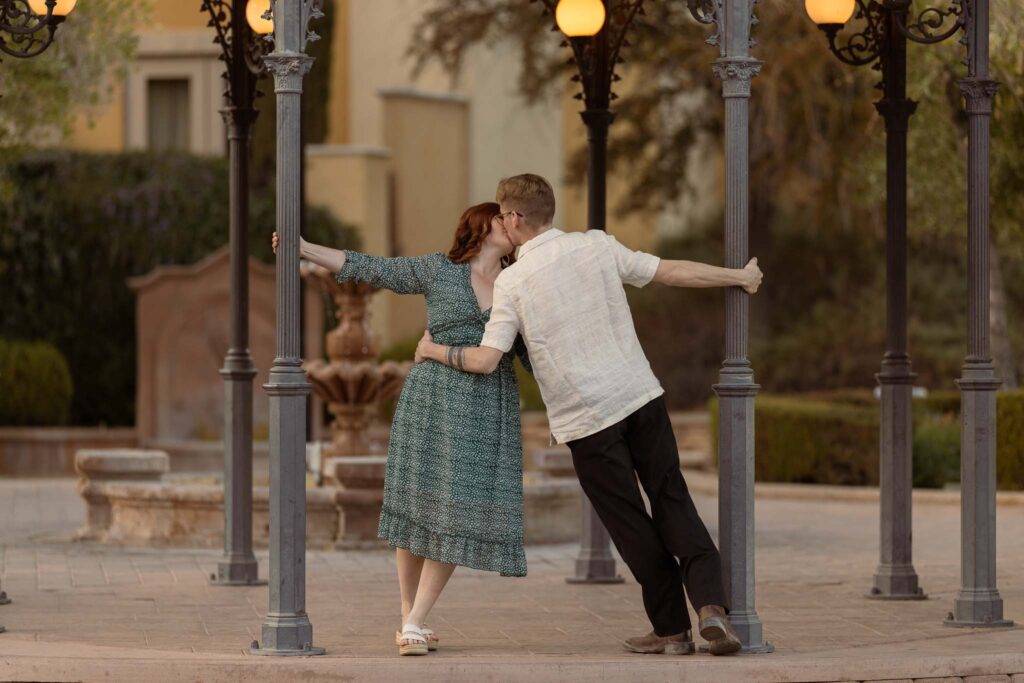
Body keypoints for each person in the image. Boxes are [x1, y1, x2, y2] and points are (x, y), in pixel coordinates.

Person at [414, 174, 763, 656]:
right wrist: (738, 277)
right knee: (672, 497)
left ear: (515, 218)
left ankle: (672, 630)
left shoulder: (512, 281)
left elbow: (486, 359)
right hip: (640, 395)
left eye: (503, 214)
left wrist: (434, 351)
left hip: (588, 421)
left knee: (630, 522)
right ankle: (711, 607)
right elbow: (671, 271)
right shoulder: (597, 246)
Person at [273, 202, 531, 657]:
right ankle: (411, 618)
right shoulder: (438, 269)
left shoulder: (518, 283)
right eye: (504, 218)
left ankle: (413, 621)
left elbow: (538, 351)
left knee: (458, 512)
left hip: (486, 406)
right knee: (417, 504)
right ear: (485, 225)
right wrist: (305, 248)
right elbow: (372, 268)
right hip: (430, 401)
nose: (514, 226)